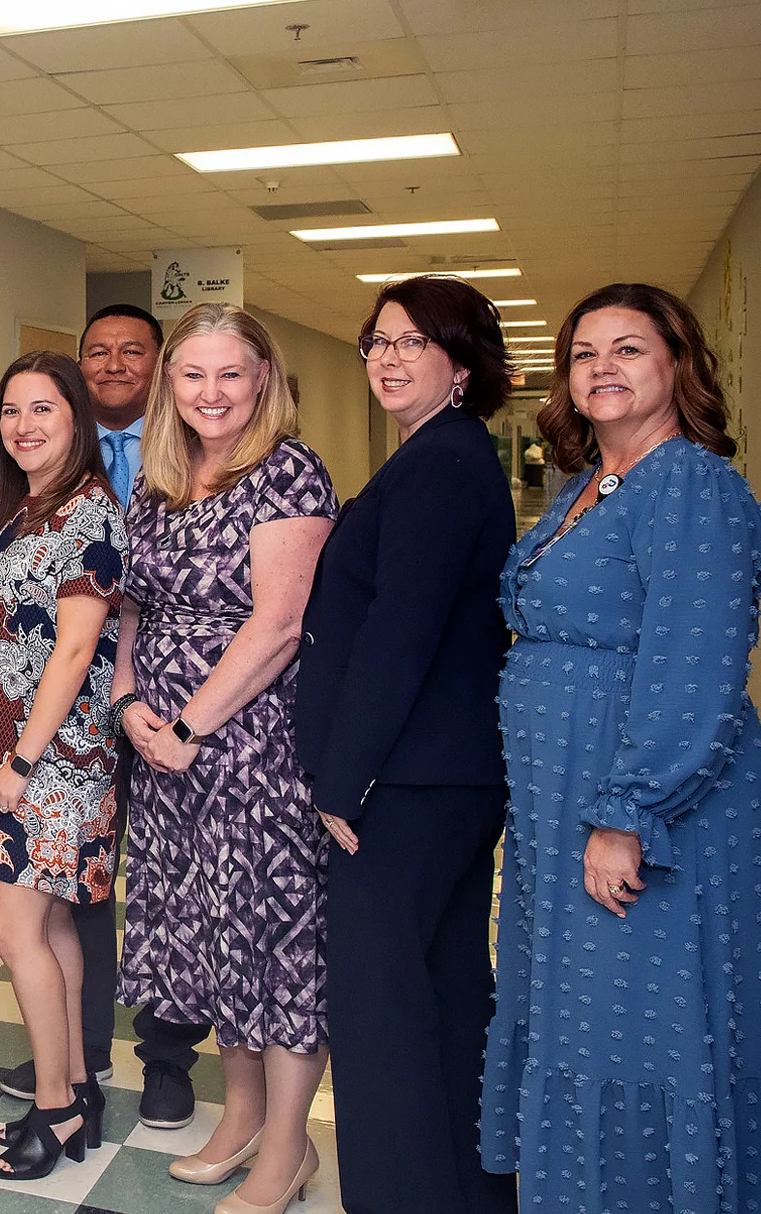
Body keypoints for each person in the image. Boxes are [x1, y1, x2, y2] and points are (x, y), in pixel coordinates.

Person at [486, 283, 761, 1214]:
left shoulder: (693, 484)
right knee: (579, 1017)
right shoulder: (587, 486)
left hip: (639, 804)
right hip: (560, 798)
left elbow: (697, 666)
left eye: (628, 349)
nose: (602, 368)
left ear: (678, 364)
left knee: (635, 1023)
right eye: (584, 354)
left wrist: (630, 816)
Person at [295, 277, 518, 1214]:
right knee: (451, 993)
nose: (387, 358)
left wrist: (342, 781)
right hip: (445, 777)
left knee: (382, 1014)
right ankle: (467, 1190)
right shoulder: (452, 455)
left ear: (460, 365)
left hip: (406, 783)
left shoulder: (436, 465)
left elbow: (402, 632)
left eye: (411, 343)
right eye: (376, 342)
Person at [114, 302, 336, 1214]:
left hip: (248, 745)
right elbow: (130, 604)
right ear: (171, 382)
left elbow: (279, 624)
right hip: (160, 742)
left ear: (263, 380)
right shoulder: (163, 477)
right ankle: (239, 1118)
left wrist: (188, 728)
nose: (211, 393)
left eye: (230, 374)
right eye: (193, 374)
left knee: (273, 940)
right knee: (207, 936)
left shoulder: (287, 472)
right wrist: (130, 699)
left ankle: (288, 1148)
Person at [3, 302, 213, 1132]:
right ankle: (77, 1054)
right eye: (99, 352)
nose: (115, 363)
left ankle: (167, 1055)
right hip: (77, 718)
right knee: (74, 893)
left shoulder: (193, 452)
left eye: (134, 351)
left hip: (167, 704)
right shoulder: (44, 473)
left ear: (158, 364)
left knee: (170, 885)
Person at [0, 351, 126, 1180]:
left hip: (53, 757)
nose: (24, 426)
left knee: (9, 924)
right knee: (54, 923)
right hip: (12, 747)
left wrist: (23, 760)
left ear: (78, 420)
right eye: (12, 412)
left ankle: (58, 1108)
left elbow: (74, 650)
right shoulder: (23, 510)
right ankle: (76, 1090)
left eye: (44, 410)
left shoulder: (88, 515)